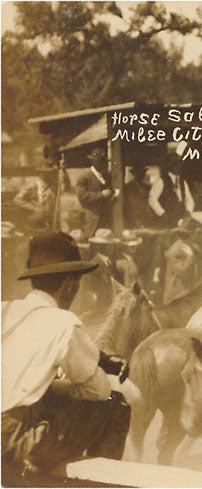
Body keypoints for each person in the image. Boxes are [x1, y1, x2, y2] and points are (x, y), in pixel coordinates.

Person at [2, 232, 130, 479]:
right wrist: (60, 388)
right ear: (70, 283)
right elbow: (97, 391)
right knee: (115, 403)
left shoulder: (5, 309)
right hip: (11, 441)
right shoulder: (63, 322)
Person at [148, 153, 195, 228]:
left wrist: (188, 211)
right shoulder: (161, 181)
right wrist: (162, 213)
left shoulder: (182, 182)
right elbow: (152, 199)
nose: (178, 166)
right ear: (170, 165)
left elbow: (189, 199)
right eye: (175, 163)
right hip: (167, 220)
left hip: (181, 220)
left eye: (179, 163)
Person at [76, 148, 115, 237]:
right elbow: (82, 197)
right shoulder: (84, 176)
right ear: (93, 162)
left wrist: (111, 196)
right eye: (99, 162)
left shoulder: (106, 176)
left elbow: (109, 192)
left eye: (104, 162)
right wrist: (101, 195)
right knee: (90, 240)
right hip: (91, 219)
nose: (103, 164)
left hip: (105, 218)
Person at [13, 165, 58, 232]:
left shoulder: (54, 185)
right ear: (40, 173)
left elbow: (66, 188)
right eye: (45, 173)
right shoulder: (32, 186)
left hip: (52, 218)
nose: (48, 175)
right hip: (37, 220)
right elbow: (17, 199)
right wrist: (34, 208)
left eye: (49, 173)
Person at [123, 164, 155, 229]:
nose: (140, 175)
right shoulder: (128, 187)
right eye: (138, 173)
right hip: (133, 218)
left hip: (146, 217)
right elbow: (128, 204)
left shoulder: (148, 187)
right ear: (134, 174)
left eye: (142, 173)